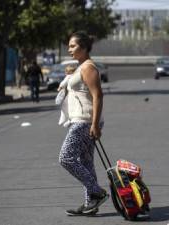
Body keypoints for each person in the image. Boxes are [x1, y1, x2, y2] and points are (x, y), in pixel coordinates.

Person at [58, 31, 108, 216]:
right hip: (80, 120)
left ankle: (97, 191)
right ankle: (90, 204)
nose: (69, 49)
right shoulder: (80, 67)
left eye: (73, 46)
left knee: (66, 158)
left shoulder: (88, 67)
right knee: (86, 163)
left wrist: (94, 124)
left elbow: (97, 96)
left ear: (84, 47)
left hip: (85, 121)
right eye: (69, 46)